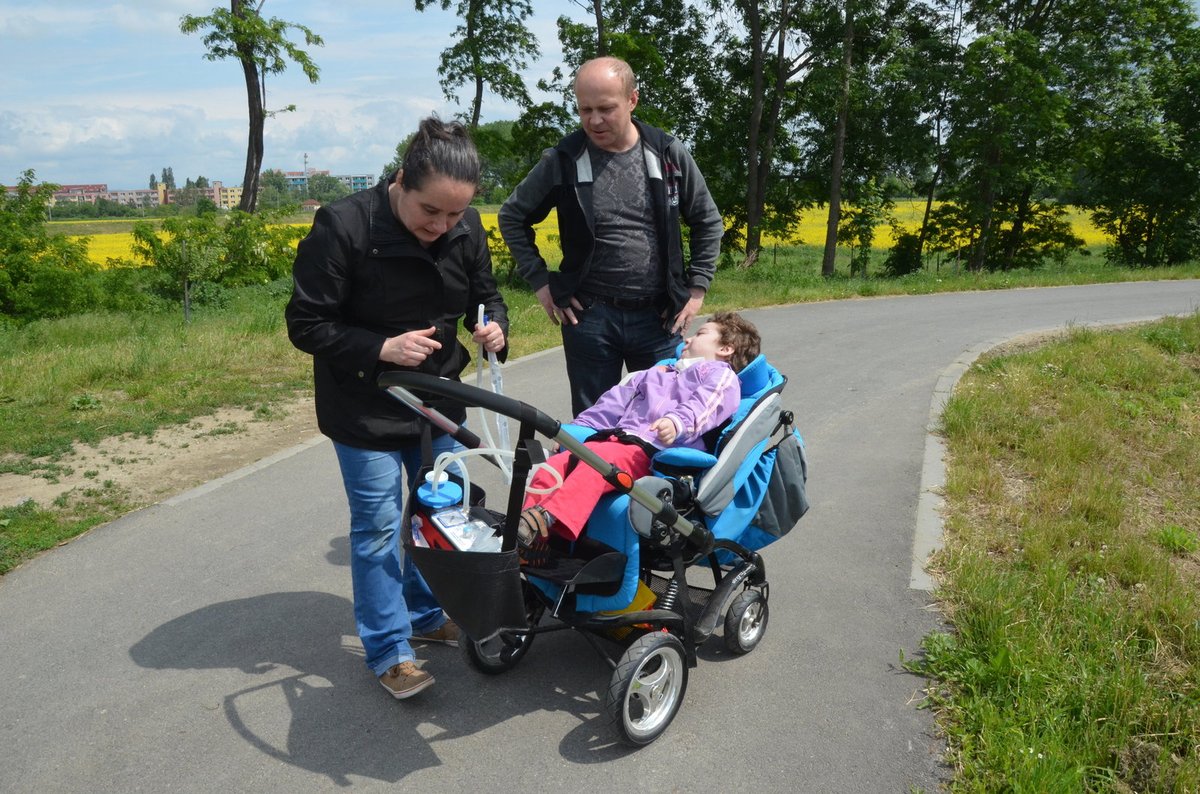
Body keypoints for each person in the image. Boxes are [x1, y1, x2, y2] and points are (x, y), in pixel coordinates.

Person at [285, 117, 508, 700]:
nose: (440, 227)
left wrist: (494, 328)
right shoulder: (343, 225)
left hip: (440, 400)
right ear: (402, 181)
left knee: (440, 514)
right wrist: (378, 348)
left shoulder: (468, 227)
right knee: (381, 527)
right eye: (429, 212)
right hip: (365, 407)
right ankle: (389, 651)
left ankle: (426, 613)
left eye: (454, 216)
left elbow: (487, 294)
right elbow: (306, 323)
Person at [498, 55, 724, 417]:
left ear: (632, 100)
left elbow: (708, 220)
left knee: (660, 421)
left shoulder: (667, 153)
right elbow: (512, 216)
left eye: (606, 108)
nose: (594, 120)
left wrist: (696, 290)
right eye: (585, 109)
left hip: (659, 318)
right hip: (589, 320)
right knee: (593, 427)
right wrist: (542, 283)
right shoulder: (563, 159)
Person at [517, 312, 760, 554]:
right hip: (611, 442)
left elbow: (709, 404)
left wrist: (678, 422)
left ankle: (546, 518)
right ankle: (530, 542)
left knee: (595, 467)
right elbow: (608, 407)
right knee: (550, 469)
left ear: (726, 349)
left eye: (701, 333)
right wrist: (571, 435)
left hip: (650, 452)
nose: (688, 339)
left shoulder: (720, 375)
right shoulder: (655, 374)